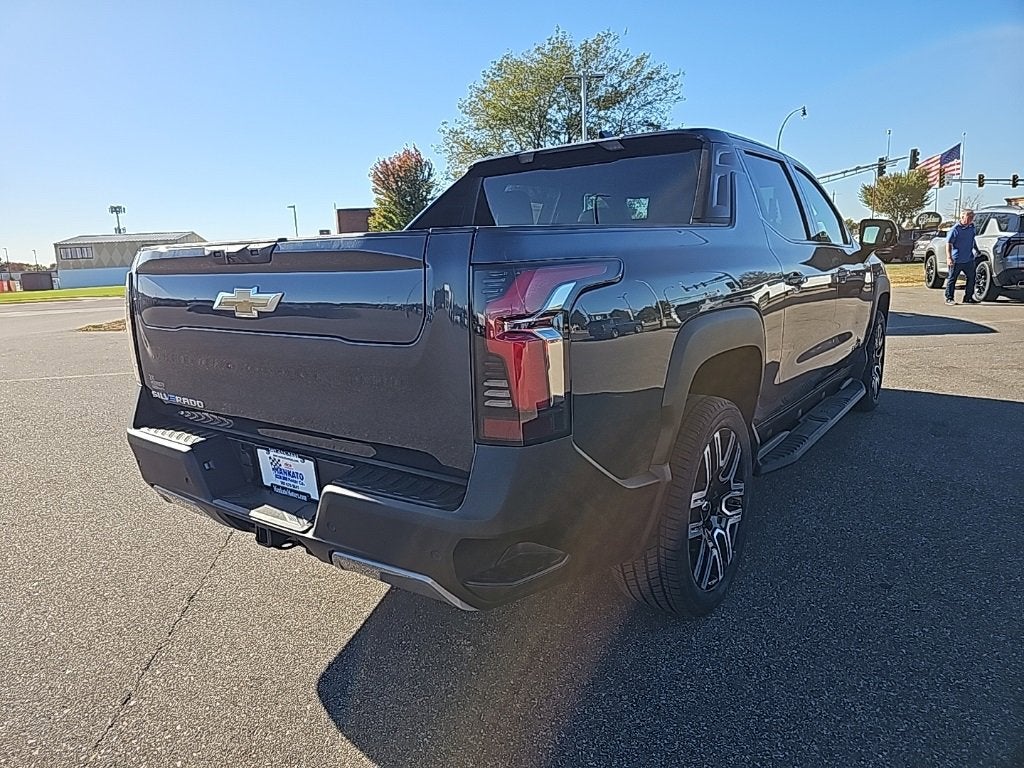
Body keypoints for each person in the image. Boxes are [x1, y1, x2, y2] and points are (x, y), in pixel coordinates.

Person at [945, 209, 978, 305]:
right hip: (956, 259)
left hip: (968, 259)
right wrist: (949, 257)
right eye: (969, 216)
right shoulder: (955, 229)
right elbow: (949, 243)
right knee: (952, 278)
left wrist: (977, 250)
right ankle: (949, 298)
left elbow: (972, 240)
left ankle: (968, 297)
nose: (971, 219)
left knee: (972, 278)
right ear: (962, 217)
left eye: (972, 217)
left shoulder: (972, 227)